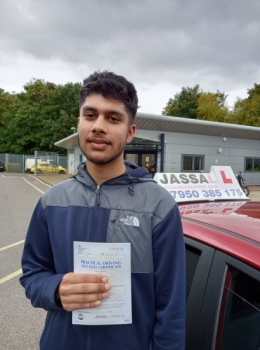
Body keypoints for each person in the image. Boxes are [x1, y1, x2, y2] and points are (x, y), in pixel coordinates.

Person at [20, 71, 186, 350]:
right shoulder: (52, 201)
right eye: (90, 115)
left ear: (130, 132)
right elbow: (33, 274)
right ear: (79, 124)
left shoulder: (159, 207)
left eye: (113, 118)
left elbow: (172, 308)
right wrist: (55, 290)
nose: (99, 126)